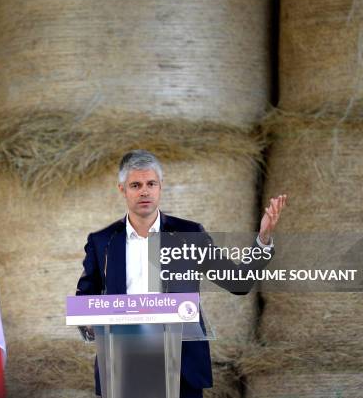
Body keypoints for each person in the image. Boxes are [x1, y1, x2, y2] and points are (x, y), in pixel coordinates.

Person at [75, 149, 287, 398]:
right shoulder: (102, 242)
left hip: (182, 366)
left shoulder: (189, 235)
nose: (144, 191)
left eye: (151, 183)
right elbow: (85, 300)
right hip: (124, 362)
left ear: (160, 186)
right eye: (136, 185)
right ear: (122, 189)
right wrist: (89, 320)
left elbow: (237, 282)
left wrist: (262, 240)